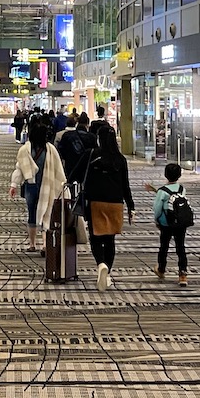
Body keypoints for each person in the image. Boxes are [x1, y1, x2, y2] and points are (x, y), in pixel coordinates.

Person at [82, 122, 134, 290]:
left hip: (96, 202)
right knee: (110, 238)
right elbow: (125, 185)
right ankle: (108, 272)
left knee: (96, 236)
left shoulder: (93, 156)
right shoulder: (121, 159)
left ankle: (100, 265)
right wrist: (131, 205)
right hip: (115, 203)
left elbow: (84, 179)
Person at [7, 114, 68, 254]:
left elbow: (19, 168)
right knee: (47, 213)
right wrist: (63, 186)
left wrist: (13, 185)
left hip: (30, 187)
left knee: (32, 214)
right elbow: (58, 169)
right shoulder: (50, 150)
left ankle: (32, 244)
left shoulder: (25, 150)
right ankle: (45, 245)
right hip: (47, 186)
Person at [149, 161, 190, 286]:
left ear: (166, 175)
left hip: (166, 223)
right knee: (180, 247)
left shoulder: (162, 191)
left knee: (164, 247)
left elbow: (157, 208)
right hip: (181, 223)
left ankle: (161, 269)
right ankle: (183, 274)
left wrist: (156, 220)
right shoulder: (182, 189)